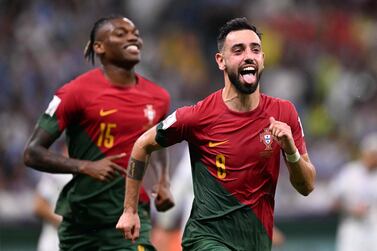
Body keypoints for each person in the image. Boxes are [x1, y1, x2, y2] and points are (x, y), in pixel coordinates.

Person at [116, 17, 316, 251]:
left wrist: (290, 150)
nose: (248, 55)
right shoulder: (197, 116)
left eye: (255, 49)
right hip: (205, 240)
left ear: (262, 59)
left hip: (256, 242)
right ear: (221, 61)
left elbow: (307, 186)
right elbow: (142, 144)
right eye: (238, 50)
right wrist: (130, 210)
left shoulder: (284, 113)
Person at [23, 15, 174, 251]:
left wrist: (163, 180)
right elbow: (32, 153)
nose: (133, 36)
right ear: (99, 47)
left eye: (134, 32)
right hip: (83, 224)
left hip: (132, 217)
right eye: (121, 33)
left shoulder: (159, 97)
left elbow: (158, 140)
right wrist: (85, 166)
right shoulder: (75, 93)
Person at [330, 132, 377, 251]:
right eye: (372, 153)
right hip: (352, 228)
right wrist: (351, 209)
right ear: (364, 153)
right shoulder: (349, 172)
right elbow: (333, 202)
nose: (374, 157)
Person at [34, 172, 71, 251]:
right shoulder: (56, 168)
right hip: (53, 242)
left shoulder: (94, 169)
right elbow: (39, 206)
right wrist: (67, 224)